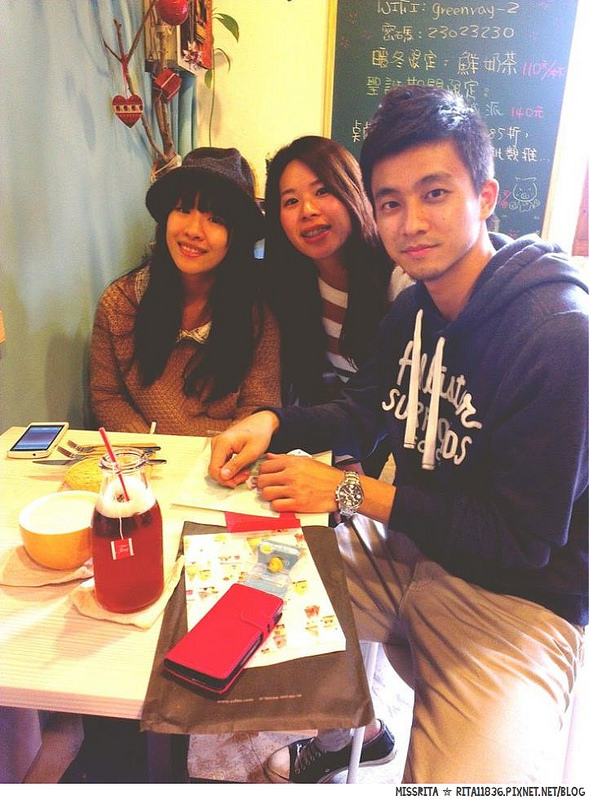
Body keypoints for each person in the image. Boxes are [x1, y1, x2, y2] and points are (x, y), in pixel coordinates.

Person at [208, 86, 588, 784]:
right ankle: (346, 733)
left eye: (434, 193)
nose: (410, 223)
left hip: (517, 603)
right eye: (390, 202)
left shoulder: (558, 336)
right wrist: (272, 421)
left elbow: (520, 541)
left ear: (485, 196)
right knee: (236, 581)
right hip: (411, 550)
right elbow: (363, 410)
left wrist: (350, 492)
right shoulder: (413, 307)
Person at [89, 147, 281, 435]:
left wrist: (222, 452)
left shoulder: (257, 312)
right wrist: (151, 449)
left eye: (216, 219)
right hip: (147, 457)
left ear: (237, 236)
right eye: (183, 210)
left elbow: (257, 407)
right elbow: (107, 395)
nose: (193, 230)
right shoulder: (121, 303)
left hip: (226, 457)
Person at [263, 135, 412, 477]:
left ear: (353, 191)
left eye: (322, 191)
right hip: (336, 427)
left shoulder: (398, 279)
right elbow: (310, 381)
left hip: (390, 431)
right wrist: (341, 455)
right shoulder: (289, 285)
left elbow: (391, 395)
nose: (308, 211)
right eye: (291, 201)